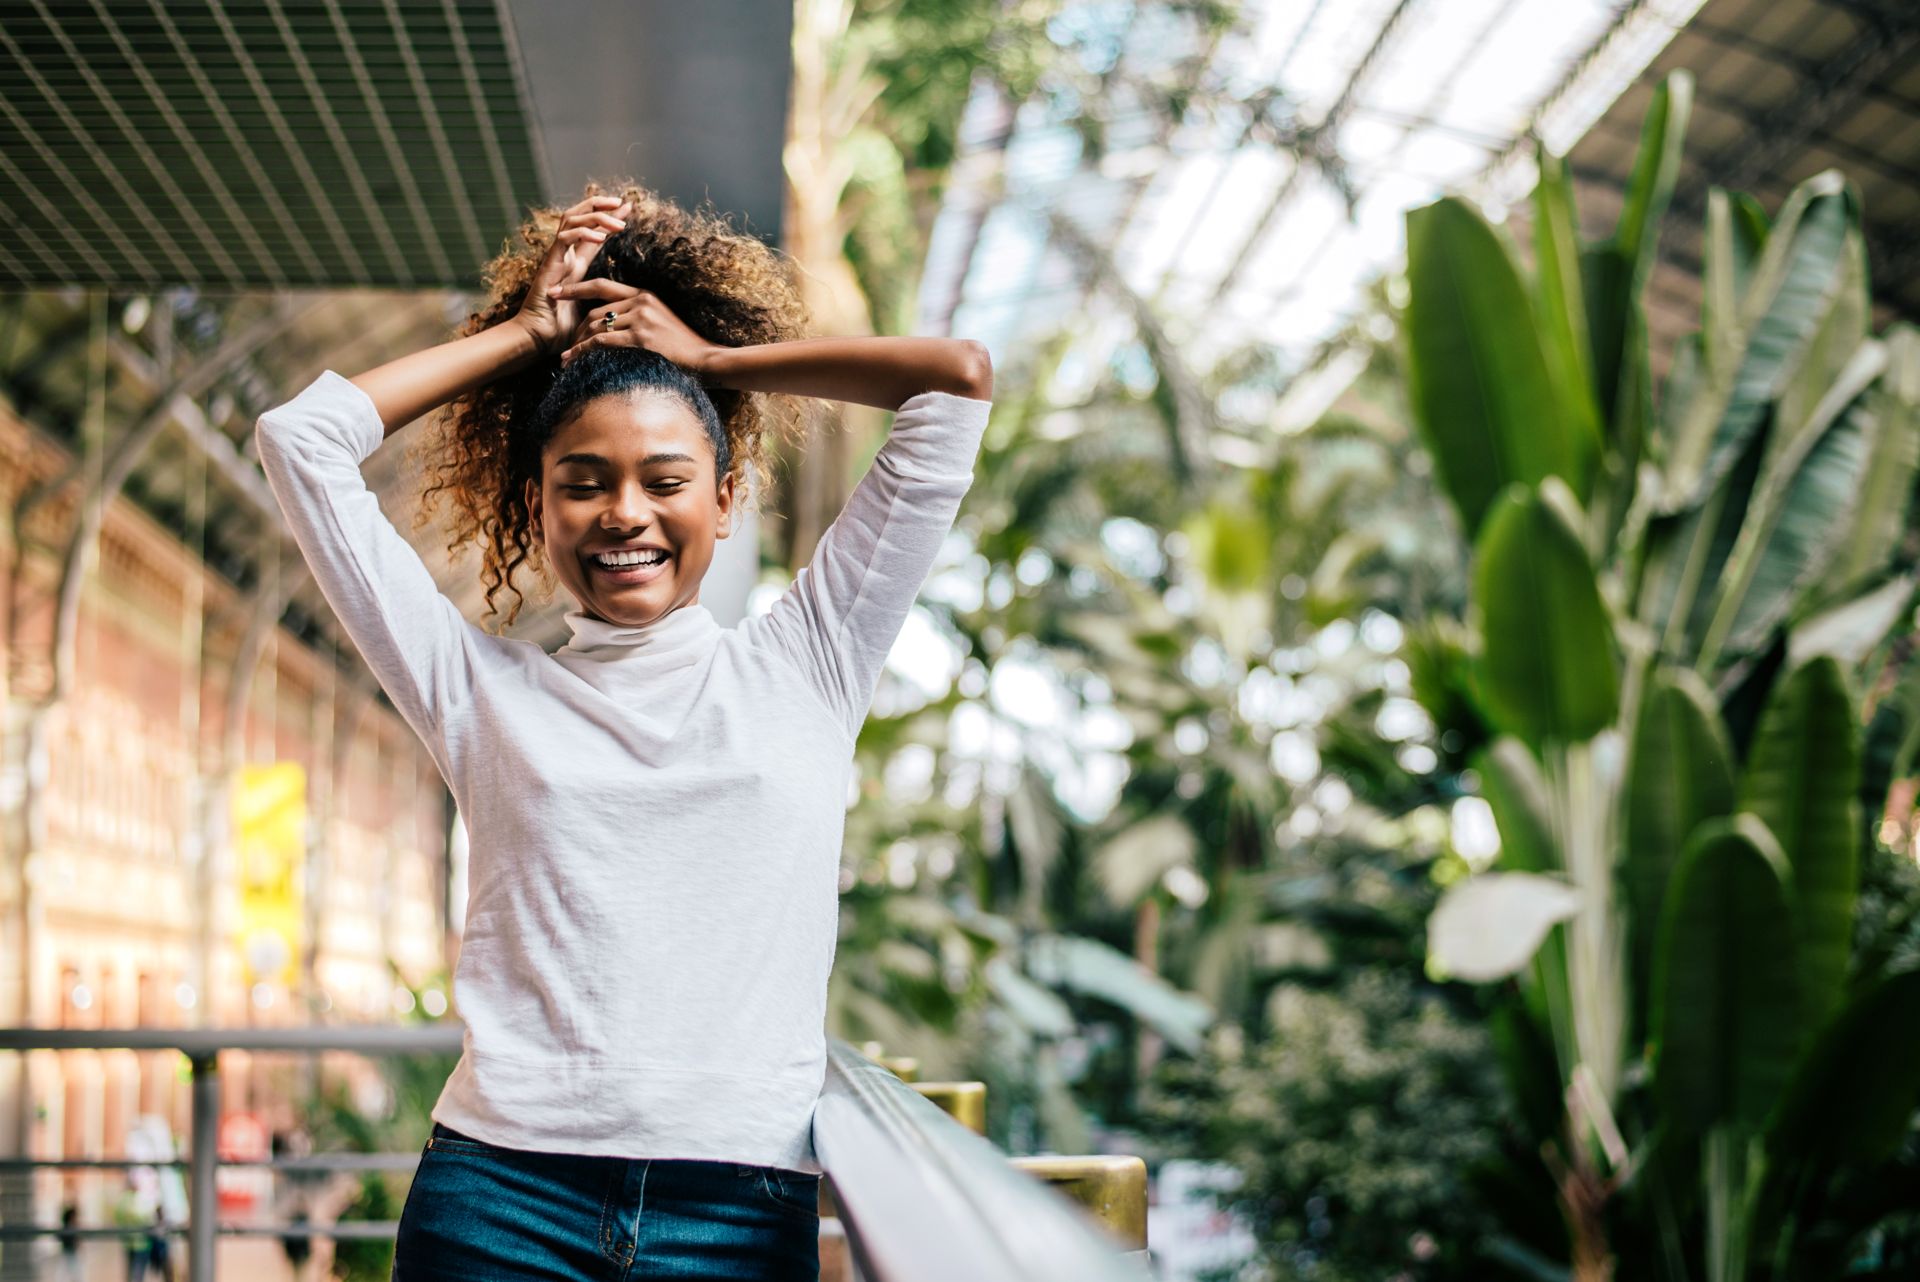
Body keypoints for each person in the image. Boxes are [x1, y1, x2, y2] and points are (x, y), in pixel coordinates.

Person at [254, 185, 992, 1281]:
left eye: (666, 479)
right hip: (498, 1200)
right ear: (538, 505)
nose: (626, 514)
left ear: (727, 496)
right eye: (583, 483)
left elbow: (956, 379)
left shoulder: (813, 661)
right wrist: (523, 336)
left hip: (737, 1210)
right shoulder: (475, 691)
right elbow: (299, 438)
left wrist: (714, 362)